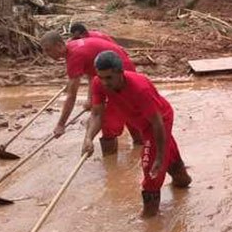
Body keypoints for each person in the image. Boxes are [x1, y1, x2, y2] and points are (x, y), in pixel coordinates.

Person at [82, 51, 192, 217]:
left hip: (158, 121)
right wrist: (88, 138)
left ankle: (148, 219)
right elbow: (97, 114)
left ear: (120, 72)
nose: (104, 82)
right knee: (176, 172)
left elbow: (157, 123)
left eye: (109, 78)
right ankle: (182, 181)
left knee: (151, 170)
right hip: (139, 120)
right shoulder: (98, 83)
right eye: (101, 77)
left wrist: (159, 158)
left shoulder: (140, 88)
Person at [40, 30, 142, 154]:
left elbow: (72, 96)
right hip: (119, 69)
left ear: (59, 45)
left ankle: (110, 165)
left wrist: (61, 124)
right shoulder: (73, 47)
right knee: (127, 109)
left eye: (48, 50)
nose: (47, 54)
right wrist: (90, 98)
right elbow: (91, 73)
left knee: (108, 121)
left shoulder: (74, 56)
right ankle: (139, 147)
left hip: (118, 73)